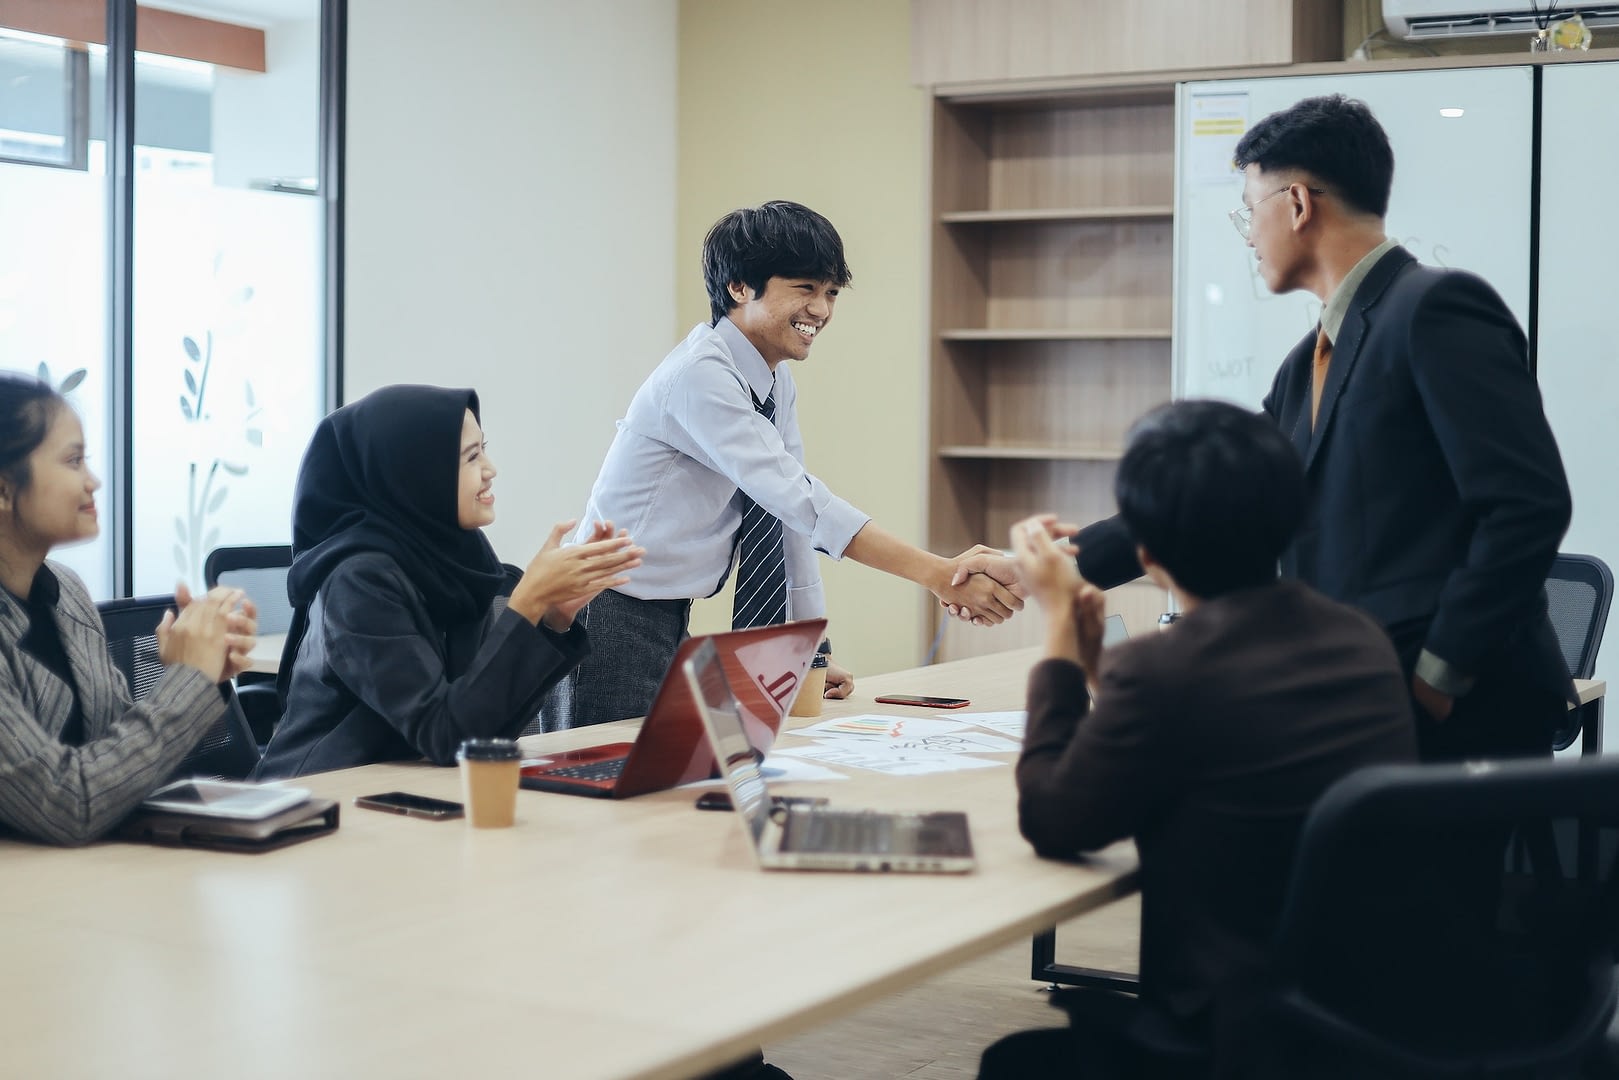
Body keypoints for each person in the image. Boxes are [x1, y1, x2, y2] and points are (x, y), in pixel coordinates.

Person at [954, 94, 1574, 763]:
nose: (1247, 233)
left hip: (1456, 714)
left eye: (1248, 209)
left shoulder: (1433, 309)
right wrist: (1034, 568)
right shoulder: (1306, 361)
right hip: (1364, 700)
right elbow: (1203, 494)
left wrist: (1436, 677)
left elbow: (1525, 507)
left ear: (1297, 204)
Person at [979, 400, 1417, 1079]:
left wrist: (1060, 629)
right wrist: (1103, 668)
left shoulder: (1163, 670)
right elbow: (1196, 734)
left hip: (1233, 1037)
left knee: (1016, 1064)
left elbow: (1054, 820)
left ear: (1145, 553)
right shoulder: (1359, 638)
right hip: (1363, 1017)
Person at [544, 200, 1019, 730]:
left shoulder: (773, 381)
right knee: (599, 785)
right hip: (607, 611)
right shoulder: (701, 375)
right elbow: (800, 499)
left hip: (664, 611)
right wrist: (937, 572)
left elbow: (792, 519)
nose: (821, 309)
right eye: (805, 288)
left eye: (831, 292)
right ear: (739, 288)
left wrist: (809, 650)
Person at [255, 385, 642, 779]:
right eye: (472, 457)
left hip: (402, 791)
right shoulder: (358, 581)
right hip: (313, 799)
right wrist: (526, 605)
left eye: (483, 449)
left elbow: (483, 727)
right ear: (416, 475)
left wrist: (551, 618)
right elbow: (445, 735)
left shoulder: (456, 564)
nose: (491, 470)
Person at [0, 373, 257, 846]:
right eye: (73, 461)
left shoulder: (66, 592)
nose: (93, 481)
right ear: (3, 490)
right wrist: (187, 684)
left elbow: (119, 765)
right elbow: (68, 803)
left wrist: (200, 674)